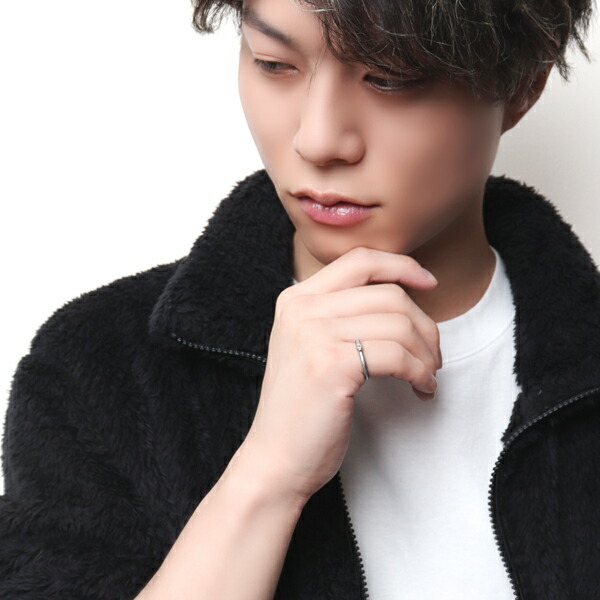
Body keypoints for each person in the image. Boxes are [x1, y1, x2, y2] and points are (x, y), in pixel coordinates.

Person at [0, 0, 598, 598]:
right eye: (274, 64)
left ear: (524, 84)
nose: (317, 139)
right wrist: (266, 477)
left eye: (390, 77)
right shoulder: (98, 373)